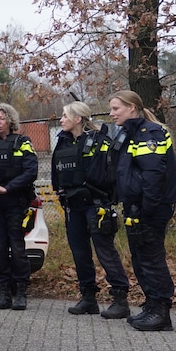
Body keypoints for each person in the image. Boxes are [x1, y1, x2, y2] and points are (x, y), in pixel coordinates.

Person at [108, 90, 176, 332]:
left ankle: (162, 312)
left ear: (131, 107)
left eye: (116, 108)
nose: (111, 114)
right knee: (140, 259)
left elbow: (153, 175)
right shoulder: (128, 134)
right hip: (136, 206)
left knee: (151, 259)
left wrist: (147, 209)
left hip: (151, 207)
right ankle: (151, 305)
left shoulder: (149, 133)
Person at [52, 101, 131, 319]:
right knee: (80, 253)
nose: (61, 120)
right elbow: (55, 174)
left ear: (78, 118)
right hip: (72, 206)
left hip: (96, 205)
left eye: (65, 115)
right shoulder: (63, 142)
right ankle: (88, 298)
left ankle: (120, 299)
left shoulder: (100, 141)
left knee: (105, 251)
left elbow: (107, 174)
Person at [0, 103, 39, 310]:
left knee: (18, 248)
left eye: (1, 118)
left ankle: (21, 292)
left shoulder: (23, 143)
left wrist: (8, 188)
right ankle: (3, 293)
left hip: (16, 202)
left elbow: (31, 171)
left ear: (10, 121)